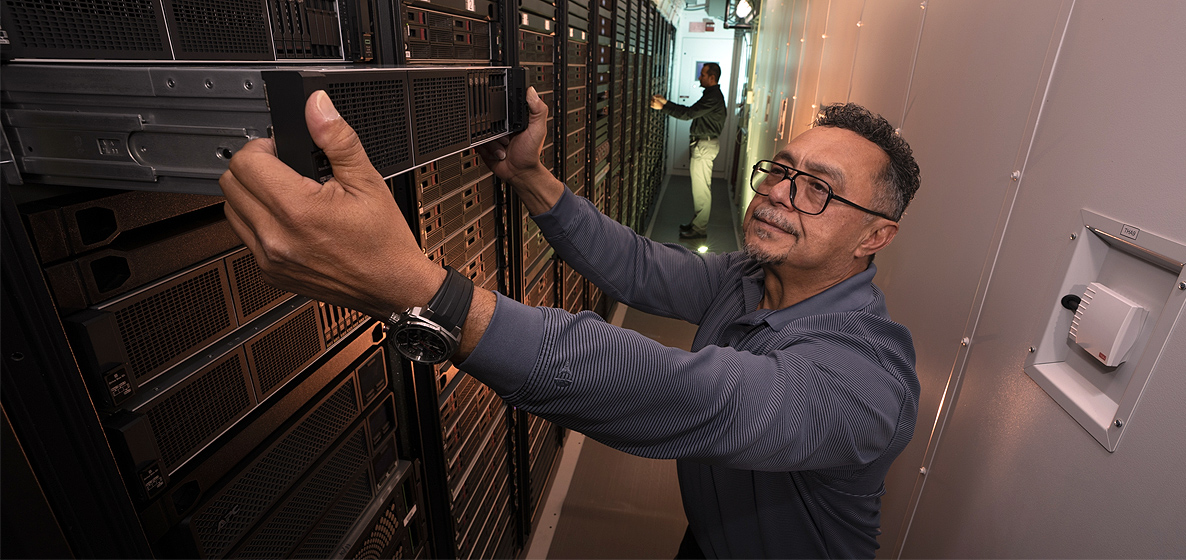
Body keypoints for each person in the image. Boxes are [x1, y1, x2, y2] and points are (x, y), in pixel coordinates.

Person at [219, 86, 921, 558]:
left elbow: (691, 394)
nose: (777, 194)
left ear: (874, 238)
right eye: (780, 169)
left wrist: (425, 291)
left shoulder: (867, 381)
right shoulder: (747, 279)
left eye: (818, 189)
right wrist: (528, 174)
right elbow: (638, 265)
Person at [652, 62, 727, 239]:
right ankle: (696, 224)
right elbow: (691, 111)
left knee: (701, 191)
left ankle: (699, 229)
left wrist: (663, 107)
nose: (699, 77)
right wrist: (667, 103)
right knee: (700, 189)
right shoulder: (712, 95)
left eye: (702, 75)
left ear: (712, 78)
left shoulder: (713, 97)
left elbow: (688, 114)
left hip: (704, 146)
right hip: (703, 145)